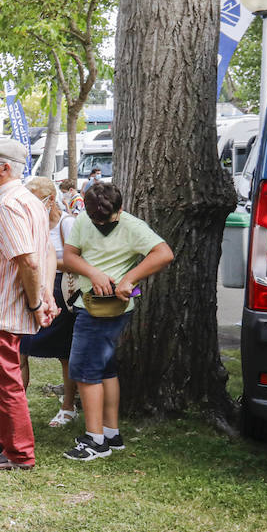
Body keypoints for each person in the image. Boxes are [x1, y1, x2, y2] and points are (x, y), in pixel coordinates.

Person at [60, 181, 174, 461]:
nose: (101, 225)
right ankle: (110, 433)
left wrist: (129, 279)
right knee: (104, 370)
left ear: (120, 208)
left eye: (107, 220)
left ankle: (95, 441)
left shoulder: (132, 225)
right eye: (96, 219)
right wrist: (94, 274)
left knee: (85, 372)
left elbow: (164, 253)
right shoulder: (85, 219)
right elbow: (70, 256)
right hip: (88, 303)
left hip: (105, 310)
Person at [0, 139, 57, 470]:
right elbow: (45, 252)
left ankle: (19, 453)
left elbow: (30, 261)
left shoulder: (7, 205)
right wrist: (45, 297)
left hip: (5, 308)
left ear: (5, 168)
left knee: (6, 381)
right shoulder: (26, 200)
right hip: (4, 306)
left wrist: (36, 303)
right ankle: (1, 437)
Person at [17, 177, 79, 428]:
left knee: (64, 352)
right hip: (34, 288)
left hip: (61, 290)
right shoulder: (31, 223)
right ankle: (17, 405)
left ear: (50, 199)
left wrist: (46, 262)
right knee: (21, 349)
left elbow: (78, 261)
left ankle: (69, 406)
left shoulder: (67, 223)